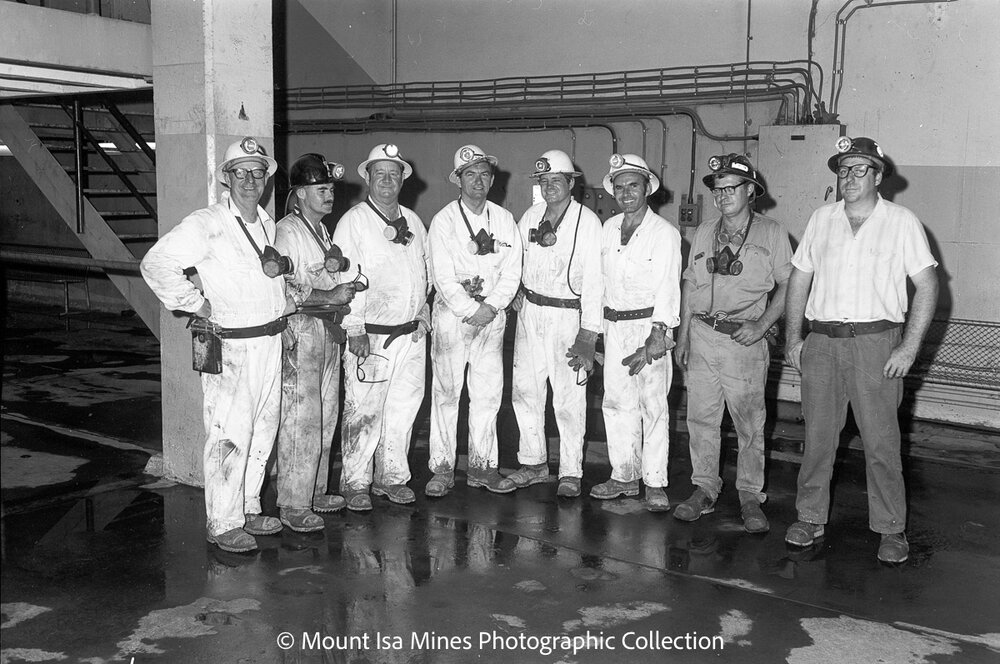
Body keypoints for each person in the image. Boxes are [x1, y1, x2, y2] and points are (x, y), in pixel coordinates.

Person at [784, 136, 938, 563]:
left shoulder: (902, 221)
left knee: (881, 443)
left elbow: (927, 285)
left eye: (858, 169)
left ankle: (891, 529)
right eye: (843, 169)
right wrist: (794, 338)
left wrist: (908, 347)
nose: (848, 177)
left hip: (876, 343)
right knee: (816, 438)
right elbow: (799, 279)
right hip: (822, 342)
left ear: (878, 176)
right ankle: (809, 517)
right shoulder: (821, 218)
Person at [141, 137, 293, 553]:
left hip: (269, 342)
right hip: (232, 348)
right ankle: (223, 522)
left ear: (266, 178)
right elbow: (156, 264)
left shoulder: (265, 222)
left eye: (257, 172)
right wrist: (198, 304)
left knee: (263, 431)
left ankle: (247, 506)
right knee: (229, 433)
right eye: (240, 172)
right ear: (226, 178)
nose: (249, 179)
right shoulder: (206, 222)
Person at [673, 154, 792, 533]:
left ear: (751, 192)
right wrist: (683, 334)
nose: (722, 195)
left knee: (749, 424)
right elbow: (691, 282)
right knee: (701, 419)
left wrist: (761, 325)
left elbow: (791, 284)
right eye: (717, 189)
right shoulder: (705, 231)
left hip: (743, 340)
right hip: (703, 337)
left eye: (730, 188)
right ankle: (704, 488)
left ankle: (749, 496)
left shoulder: (772, 233)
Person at [332, 144, 431, 511]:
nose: (387, 180)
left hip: (410, 334)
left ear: (404, 178)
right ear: (368, 178)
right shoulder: (354, 221)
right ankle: (356, 481)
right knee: (364, 409)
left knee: (404, 410)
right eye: (380, 174)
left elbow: (426, 268)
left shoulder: (413, 221)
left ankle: (392, 477)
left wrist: (422, 311)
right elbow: (344, 275)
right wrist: (354, 326)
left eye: (394, 174)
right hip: (369, 335)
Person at [425, 144, 523, 497]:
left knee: (487, 395)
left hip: (492, 318)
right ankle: (442, 468)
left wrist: (492, 306)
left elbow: (513, 272)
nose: (478, 180)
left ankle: (483, 466)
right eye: (470, 174)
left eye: (484, 174)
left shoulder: (504, 219)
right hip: (454, 317)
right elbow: (442, 275)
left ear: (492, 179)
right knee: (447, 395)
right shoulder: (444, 220)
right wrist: (470, 310)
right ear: (458, 180)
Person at [508, 149, 602, 498]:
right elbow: (512, 257)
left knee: (568, 398)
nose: (549, 187)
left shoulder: (588, 221)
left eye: (556, 181)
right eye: (544, 182)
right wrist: (514, 289)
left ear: (570, 183)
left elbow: (596, 281)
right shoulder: (531, 216)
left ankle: (570, 471)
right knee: (526, 391)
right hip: (531, 313)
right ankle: (533, 463)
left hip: (568, 316)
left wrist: (588, 334)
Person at [592, 153, 681, 512]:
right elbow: (599, 281)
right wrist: (595, 333)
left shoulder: (665, 233)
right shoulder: (608, 228)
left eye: (634, 185)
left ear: (648, 188)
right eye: (620, 186)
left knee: (653, 406)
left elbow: (668, 286)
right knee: (616, 404)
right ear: (612, 191)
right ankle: (624, 475)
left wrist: (658, 334)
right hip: (614, 326)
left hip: (649, 327)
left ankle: (655, 482)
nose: (626, 192)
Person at [273, 153, 357, 531]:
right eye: (321, 189)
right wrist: (331, 297)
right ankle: (292, 503)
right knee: (300, 419)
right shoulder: (288, 231)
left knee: (326, 415)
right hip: (302, 329)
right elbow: (285, 291)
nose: (329, 195)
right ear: (300, 194)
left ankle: (316, 491)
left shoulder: (322, 230)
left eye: (330, 189)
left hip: (328, 331)